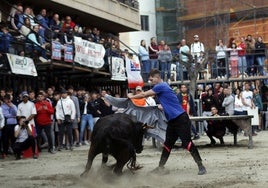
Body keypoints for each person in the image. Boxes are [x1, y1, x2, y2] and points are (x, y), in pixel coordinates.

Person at [128, 69, 206, 175]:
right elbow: (168, 102)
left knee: (187, 143)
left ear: (157, 77)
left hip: (180, 119)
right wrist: (162, 107)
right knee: (167, 144)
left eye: (152, 79)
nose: (151, 82)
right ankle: (161, 168)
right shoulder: (163, 87)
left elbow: (144, 95)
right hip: (173, 121)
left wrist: (132, 97)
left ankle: (201, 166)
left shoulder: (160, 86)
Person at [1, 94, 17, 158]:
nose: (8, 100)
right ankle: (5, 152)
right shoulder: (2, 106)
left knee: (14, 139)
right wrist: (13, 116)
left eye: (9, 99)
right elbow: (5, 115)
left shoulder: (14, 105)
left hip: (14, 124)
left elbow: (16, 113)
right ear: (4, 100)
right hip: (7, 125)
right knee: (5, 139)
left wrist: (12, 107)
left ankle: (15, 152)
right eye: (6, 99)